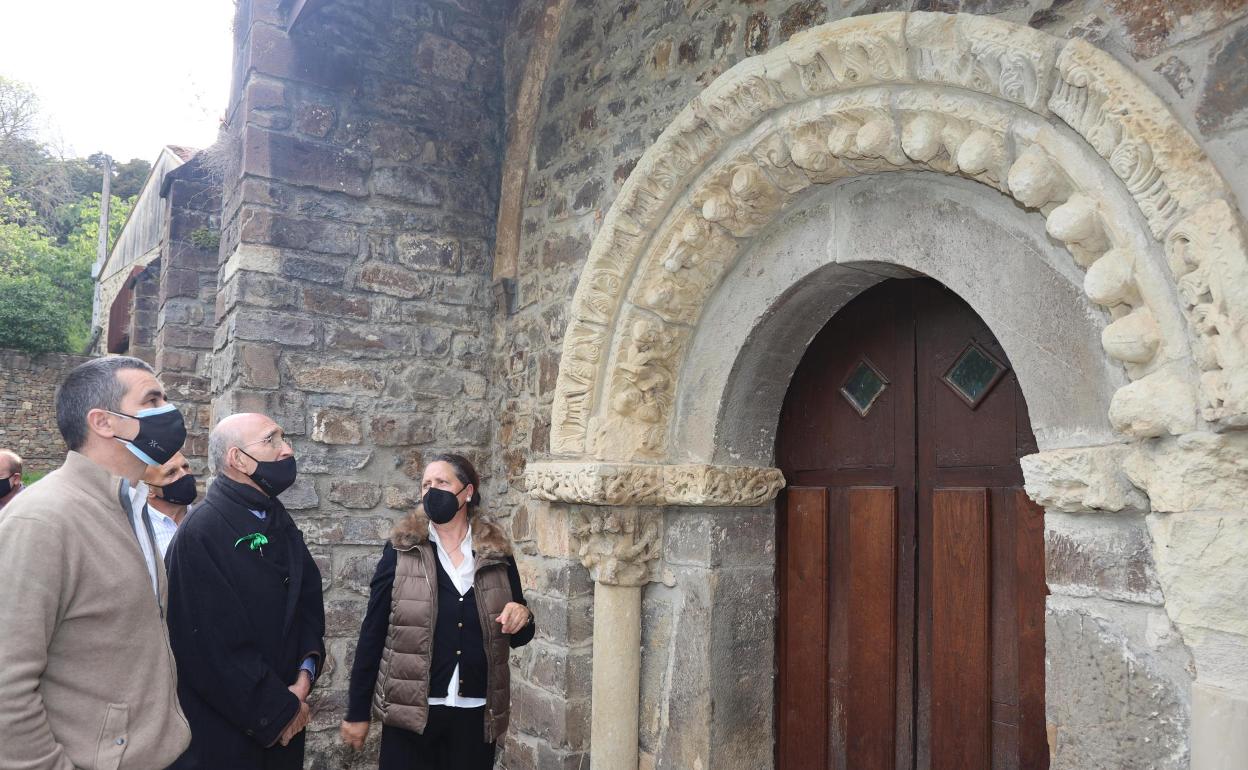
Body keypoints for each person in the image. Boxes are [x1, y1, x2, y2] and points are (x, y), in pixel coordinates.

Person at [0, 356, 192, 769]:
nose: (169, 410)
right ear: (104, 422)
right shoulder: (43, 520)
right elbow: (6, 684)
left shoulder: (131, 504)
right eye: (153, 398)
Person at [341, 453, 535, 769]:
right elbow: (373, 631)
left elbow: (519, 633)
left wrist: (523, 615)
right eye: (426, 484)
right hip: (411, 715)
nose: (432, 491)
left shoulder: (496, 552)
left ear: (467, 492)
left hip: (475, 713)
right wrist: (357, 710)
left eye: (442, 482)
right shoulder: (403, 549)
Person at [165, 412, 325, 770]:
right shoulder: (200, 533)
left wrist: (303, 679)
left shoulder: (278, 519)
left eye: (284, 438)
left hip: (287, 713)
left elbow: (307, 606)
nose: (287, 450)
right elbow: (209, 648)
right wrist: (279, 710)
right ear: (237, 458)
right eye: (272, 440)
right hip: (229, 736)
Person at [142, 451, 197, 556]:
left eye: (185, 466)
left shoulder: (207, 519)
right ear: (149, 490)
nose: (184, 474)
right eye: (171, 473)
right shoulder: (140, 531)